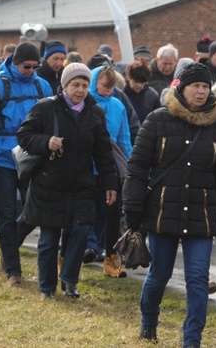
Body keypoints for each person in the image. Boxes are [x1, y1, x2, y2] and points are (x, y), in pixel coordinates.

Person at [123, 62, 216, 347]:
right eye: (194, 86)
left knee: (198, 279)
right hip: (163, 213)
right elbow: (136, 168)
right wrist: (133, 210)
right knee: (158, 275)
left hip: (202, 215)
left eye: (204, 86)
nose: (200, 92)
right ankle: (148, 322)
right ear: (181, 88)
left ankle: (192, 340)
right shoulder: (157, 120)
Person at [17, 63, 118, 299]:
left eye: (84, 85)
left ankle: (70, 280)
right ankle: (46, 287)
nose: (80, 90)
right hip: (48, 184)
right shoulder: (45, 108)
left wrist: (110, 183)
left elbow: (103, 151)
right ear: (65, 85)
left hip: (81, 185)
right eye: (75, 85)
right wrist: (45, 142)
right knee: (49, 239)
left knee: (81, 231)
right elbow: (24, 135)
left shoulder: (95, 113)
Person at [0, 41, 50, 286]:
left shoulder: (42, 85)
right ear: (16, 63)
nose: (31, 71)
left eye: (36, 67)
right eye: (27, 66)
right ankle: (13, 271)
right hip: (2, 158)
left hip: (33, 157)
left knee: (34, 211)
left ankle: (9, 246)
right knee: (6, 214)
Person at [83, 65, 132, 278]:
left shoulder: (118, 106)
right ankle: (79, 252)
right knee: (86, 213)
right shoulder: (84, 104)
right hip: (86, 166)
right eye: (104, 85)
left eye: (112, 86)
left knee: (112, 215)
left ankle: (111, 260)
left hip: (110, 167)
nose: (108, 90)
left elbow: (124, 139)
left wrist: (129, 165)